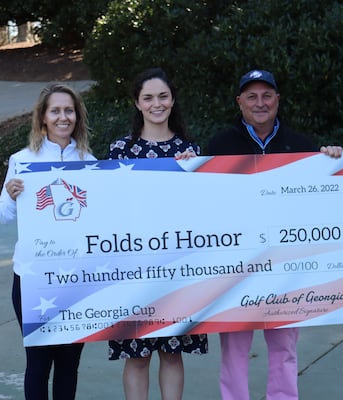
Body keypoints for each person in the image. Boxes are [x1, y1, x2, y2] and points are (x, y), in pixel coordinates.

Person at [207, 69, 343, 400]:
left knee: (284, 348)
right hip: (235, 270)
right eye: (251, 96)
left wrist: (332, 164)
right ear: (239, 102)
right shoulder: (220, 145)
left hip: (285, 270)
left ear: (278, 100)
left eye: (267, 95)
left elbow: (321, 201)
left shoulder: (301, 146)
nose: (260, 103)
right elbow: (202, 204)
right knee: (234, 351)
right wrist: (187, 165)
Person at [107, 67, 208, 400]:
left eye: (162, 96)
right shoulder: (120, 151)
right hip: (132, 269)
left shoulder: (190, 151)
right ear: (137, 103)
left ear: (172, 99)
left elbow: (206, 214)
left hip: (178, 271)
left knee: (171, 352)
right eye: (148, 97)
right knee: (137, 356)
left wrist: (194, 172)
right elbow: (106, 210)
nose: (156, 104)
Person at [0, 83, 96, 400]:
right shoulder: (22, 160)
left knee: (68, 363)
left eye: (69, 110)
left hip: (76, 279)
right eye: (55, 111)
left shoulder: (90, 162)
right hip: (32, 278)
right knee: (39, 363)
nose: (62, 117)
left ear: (77, 117)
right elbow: (3, 215)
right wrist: (12, 196)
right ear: (43, 118)